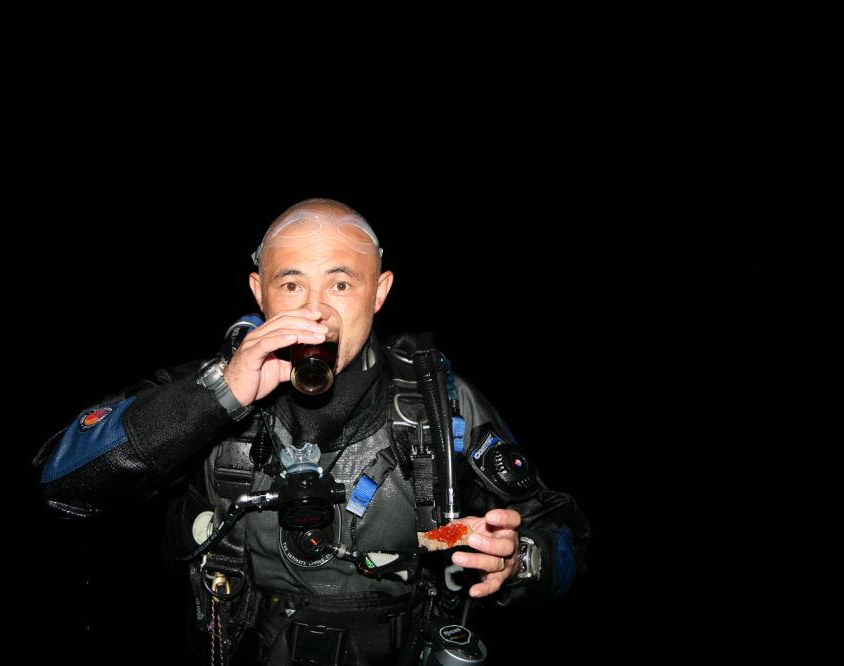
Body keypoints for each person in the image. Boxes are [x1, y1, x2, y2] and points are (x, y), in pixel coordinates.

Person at [33, 199, 590, 666]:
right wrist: (215, 397)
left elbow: (560, 533)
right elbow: (61, 485)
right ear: (260, 292)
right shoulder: (205, 390)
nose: (315, 310)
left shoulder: (439, 406)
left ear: (379, 292)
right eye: (291, 283)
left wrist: (516, 559)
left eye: (341, 283)